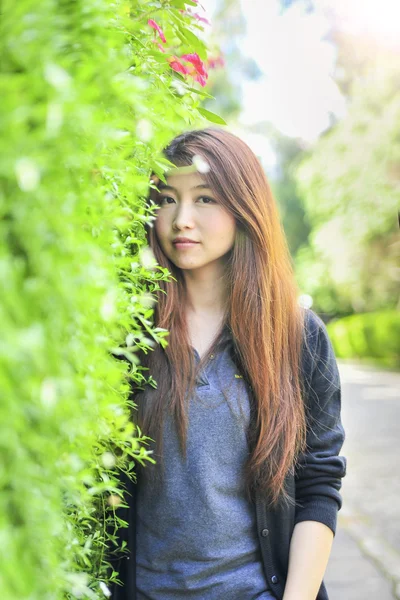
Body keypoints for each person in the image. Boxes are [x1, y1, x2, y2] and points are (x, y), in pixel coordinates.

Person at [108, 127, 346, 600]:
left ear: (243, 208)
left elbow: (318, 483)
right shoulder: (130, 333)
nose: (181, 220)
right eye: (166, 199)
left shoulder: (295, 337)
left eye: (205, 199)